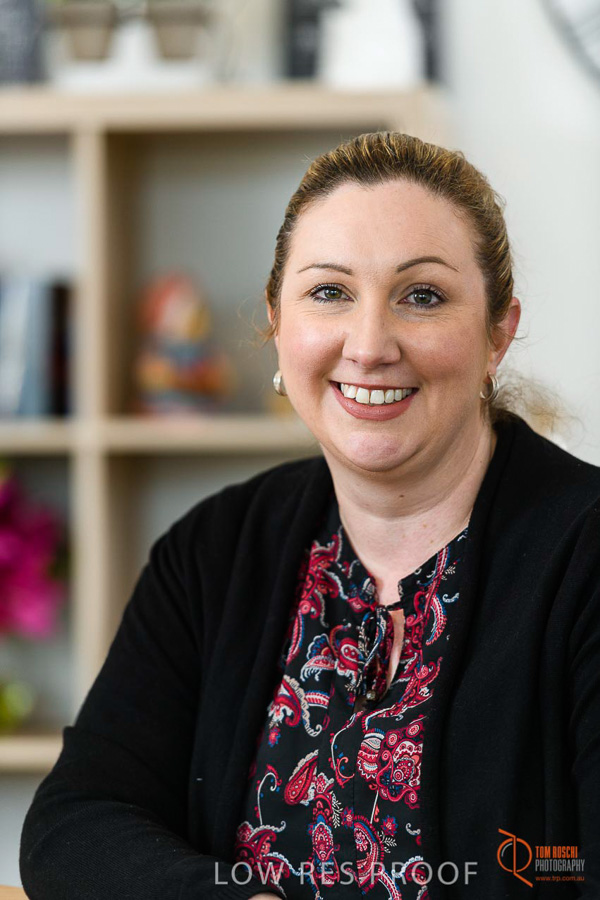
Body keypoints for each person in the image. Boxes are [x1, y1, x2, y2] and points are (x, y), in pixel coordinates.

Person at [20, 132, 600, 900]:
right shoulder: (213, 551)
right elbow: (74, 823)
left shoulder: (587, 554)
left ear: (497, 333)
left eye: (422, 296)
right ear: (277, 322)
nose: (370, 345)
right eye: (329, 293)